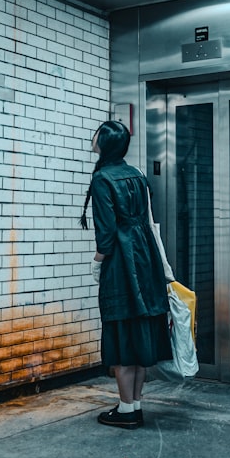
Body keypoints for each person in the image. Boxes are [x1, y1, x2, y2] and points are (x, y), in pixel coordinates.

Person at [80, 120, 171, 429]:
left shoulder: (103, 178)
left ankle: (125, 409)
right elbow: (149, 221)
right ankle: (134, 405)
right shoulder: (138, 175)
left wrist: (97, 262)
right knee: (139, 332)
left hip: (121, 262)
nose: (93, 139)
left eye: (97, 135)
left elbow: (105, 233)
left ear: (105, 144)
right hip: (146, 260)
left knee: (120, 335)